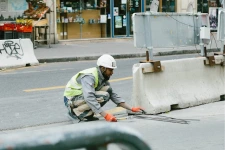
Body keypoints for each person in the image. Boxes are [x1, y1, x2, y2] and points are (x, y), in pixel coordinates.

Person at [63, 54, 143, 122]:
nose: (112, 73)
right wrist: (106, 116)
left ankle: (87, 114)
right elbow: (89, 97)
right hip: (71, 100)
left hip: (80, 97)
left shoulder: (102, 76)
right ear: (103, 68)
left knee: (108, 90)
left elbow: (112, 94)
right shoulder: (89, 76)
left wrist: (131, 108)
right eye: (110, 70)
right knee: (103, 96)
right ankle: (74, 113)